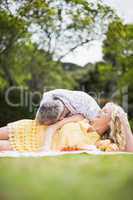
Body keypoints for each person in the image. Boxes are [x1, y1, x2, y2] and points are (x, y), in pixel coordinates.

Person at [0, 102, 133, 152]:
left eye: (104, 112)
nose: (99, 112)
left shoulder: (98, 143)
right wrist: (45, 148)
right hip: (31, 129)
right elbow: (53, 127)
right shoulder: (81, 118)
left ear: (110, 123)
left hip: (32, 146)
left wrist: (124, 120)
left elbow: (130, 151)